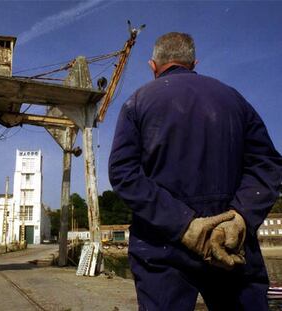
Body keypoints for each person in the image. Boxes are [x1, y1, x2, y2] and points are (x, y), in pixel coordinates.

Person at [108, 32, 282, 310]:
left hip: (163, 246)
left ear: (153, 65)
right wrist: (240, 217)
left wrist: (184, 225)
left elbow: (123, 174)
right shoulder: (234, 98)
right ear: (194, 62)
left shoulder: (137, 102)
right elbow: (267, 164)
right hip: (230, 243)